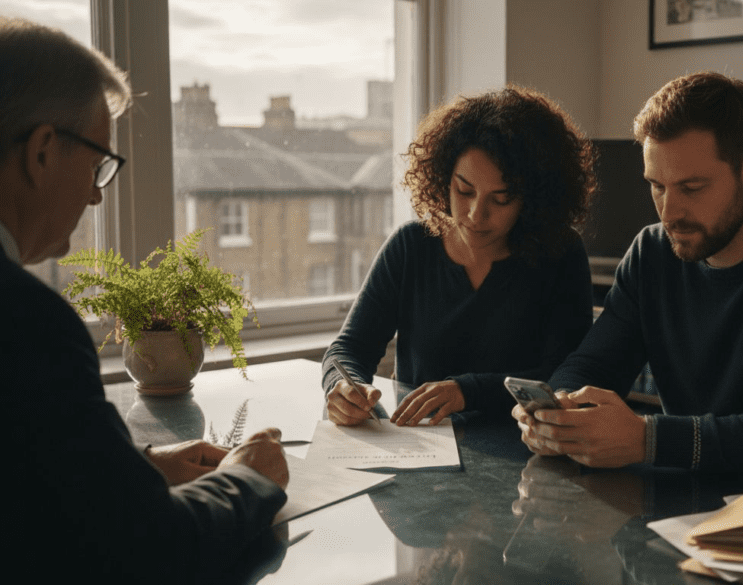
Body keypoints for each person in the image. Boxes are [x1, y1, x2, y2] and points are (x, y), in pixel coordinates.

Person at [0, 17, 289, 582]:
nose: (94, 195)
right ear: (41, 152)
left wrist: (138, 470)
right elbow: (155, 551)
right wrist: (250, 478)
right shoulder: (28, 325)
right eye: (96, 164)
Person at [514, 72, 743, 473]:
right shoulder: (651, 252)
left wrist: (649, 439)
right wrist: (560, 413)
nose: (669, 213)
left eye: (692, 188)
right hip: (693, 500)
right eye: (657, 186)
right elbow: (592, 364)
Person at [322, 86, 596, 426]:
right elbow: (348, 349)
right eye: (464, 191)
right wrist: (342, 388)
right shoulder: (411, 246)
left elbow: (564, 376)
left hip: (521, 449)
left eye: (501, 199)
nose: (475, 214)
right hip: (418, 451)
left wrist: (467, 391)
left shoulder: (560, 254)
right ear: (442, 178)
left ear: (534, 198)